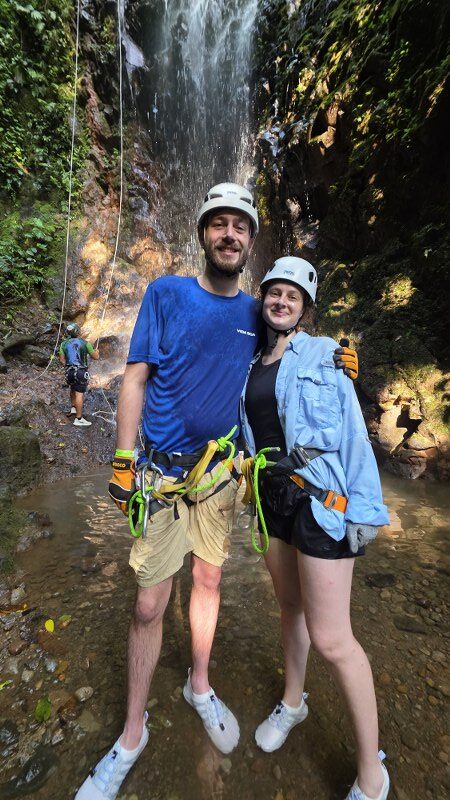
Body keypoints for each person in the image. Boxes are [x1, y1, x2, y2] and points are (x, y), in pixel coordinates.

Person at [74, 184, 358, 800]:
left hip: (222, 477)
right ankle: (131, 734)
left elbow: (293, 343)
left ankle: (198, 686)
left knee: (208, 581)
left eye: (240, 227)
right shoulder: (166, 293)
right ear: (203, 233)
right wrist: (123, 459)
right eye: (219, 224)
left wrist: (337, 356)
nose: (229, 235)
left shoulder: (257, 311)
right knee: (150, 604)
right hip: (160, 473)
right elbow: (135, 377)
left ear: (251, 243)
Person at [240, 256, 390, 800]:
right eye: (274, 292)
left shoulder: (326, 353)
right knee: (290, 608)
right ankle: (294, 702)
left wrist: (366, 513)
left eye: (292, 295)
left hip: (321, 504)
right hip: (270, 501)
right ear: (264, 298)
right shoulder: (252, 360)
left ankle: (372, 771)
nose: (281, 301)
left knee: (333, 637)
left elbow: (352, 433)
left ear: (305, 308)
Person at [59, 322, 99, 427]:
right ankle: (79, 418)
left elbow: (62, 361)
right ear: (78, 332)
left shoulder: (63, 344)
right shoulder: (85, 343)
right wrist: (97, 352)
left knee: (72, 388)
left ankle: (73, 408)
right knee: (79, 394)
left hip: (69, 372)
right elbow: (96, 357)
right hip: (81, 372)